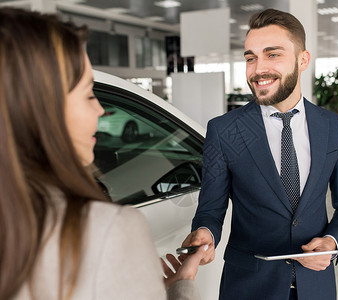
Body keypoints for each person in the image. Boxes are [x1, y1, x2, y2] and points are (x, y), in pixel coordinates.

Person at [0, 8, 206, 300]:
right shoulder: (107, 230)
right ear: (44, 110)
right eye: (87, 94)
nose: (100, 109)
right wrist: (179, 288)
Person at [181, 8, 338, 300]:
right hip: (249, 286)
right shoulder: (224, 130)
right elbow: (210, 210)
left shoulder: (332, 126)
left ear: (302, 60)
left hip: (316, 285)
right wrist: (205, 232)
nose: (257, 69)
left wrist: (332, 241)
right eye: (251, 57)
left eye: (272, 54)